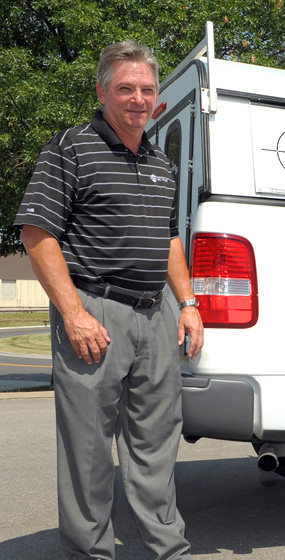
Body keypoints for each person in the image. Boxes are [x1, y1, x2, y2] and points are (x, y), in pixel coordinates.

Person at [15, 40, 203, 559]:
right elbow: (37, 234)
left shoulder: (161, 161)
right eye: (125, 88)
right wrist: (74, 313)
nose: (137, 98)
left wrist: (187, 304)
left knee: (157, 445)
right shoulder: (71, 147)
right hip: (94, 310)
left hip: (155, 313)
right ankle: (89, 554)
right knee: (90, 452)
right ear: (102, 92)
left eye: (146, 89)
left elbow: (168, 240)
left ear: (157, 97)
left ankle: (169, 549)